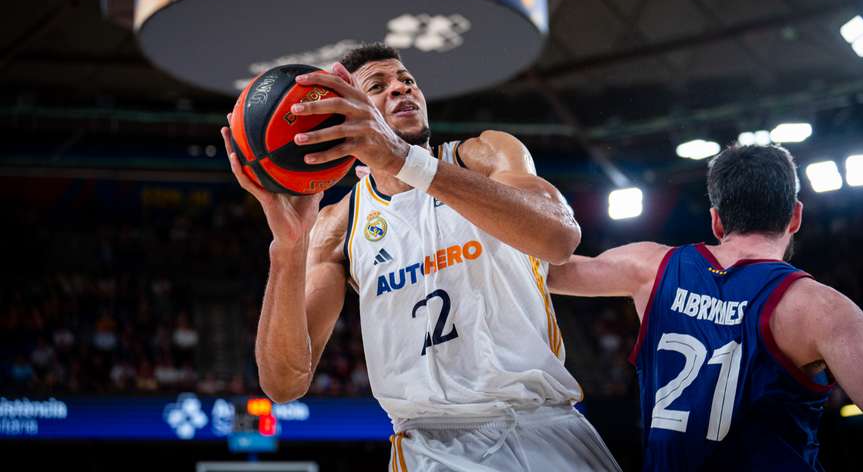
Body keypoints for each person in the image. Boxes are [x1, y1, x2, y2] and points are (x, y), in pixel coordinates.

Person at [221, 43, 621, 472]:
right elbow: (283, 383)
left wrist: (403, 160)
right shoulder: (340, 224)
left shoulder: (483, 156)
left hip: (548, 425)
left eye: (406, 80)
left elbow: (559, 238)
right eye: (378, 86)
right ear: (343, 113)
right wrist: (287, 247)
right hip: (432, 444)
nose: (400, 89)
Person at [549, 144, 863, 471]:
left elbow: (545, 272)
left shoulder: (650, 268)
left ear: (716, 220)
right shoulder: (821, 308)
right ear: (795, 217)